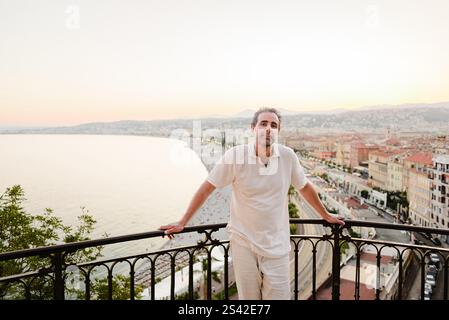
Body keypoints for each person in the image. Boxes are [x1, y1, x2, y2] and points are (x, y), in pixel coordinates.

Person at [159, 107, 345, 300]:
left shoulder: (288, 156)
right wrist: (183, 222)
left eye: (273, 125)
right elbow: (207, 188)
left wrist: (326, 215)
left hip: (278, 245)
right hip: (243, 242)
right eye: (263, 123)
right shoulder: (235, 156)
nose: (268, 129)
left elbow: (305, 187)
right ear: (253, 128)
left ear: (278, 132)